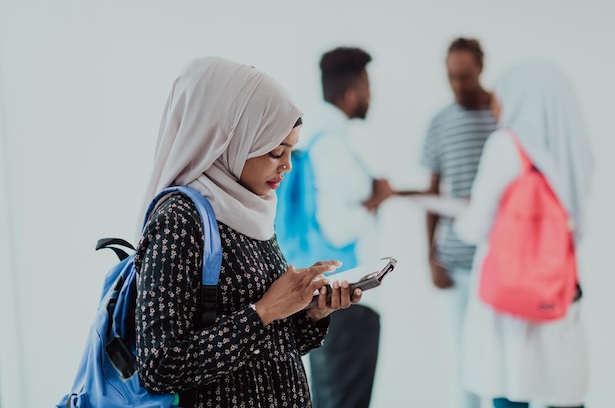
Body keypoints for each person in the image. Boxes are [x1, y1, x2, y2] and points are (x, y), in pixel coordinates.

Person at [134, 56, 362, 408]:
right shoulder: (179, 220)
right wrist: (263, 312)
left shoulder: (251, 208)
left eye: (290, 150)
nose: (286, 165)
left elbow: (269, 345)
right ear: (228, 139)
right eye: (275, 152)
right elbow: (160, 365)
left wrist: (311, 312)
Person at [454, 61, 593, 408]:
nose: (495, 105)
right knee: (562, 388)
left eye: (500, 96)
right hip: (556, 291)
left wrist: (464, 212)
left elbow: (474, 227)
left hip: (510, 301)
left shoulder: (505, 145)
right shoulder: (570, 150)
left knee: (510, 386)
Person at [303, 47, 394, 408]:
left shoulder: (312, 139)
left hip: (328, 299)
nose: (370, 95)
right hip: (346, 298)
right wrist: (372, 203)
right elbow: (336, 227)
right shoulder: (330, 145)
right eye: (367, 85)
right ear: (352, 91)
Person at [418, 37, 497, 408]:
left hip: (499, 260)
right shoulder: (440, 122)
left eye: (464, 76)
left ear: (480, 67)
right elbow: (431, 194)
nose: (458, 85)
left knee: (500, 357)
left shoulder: (504, 116)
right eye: (451, 77)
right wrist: (430, 256)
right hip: (455, 263)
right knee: (465, 359)